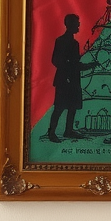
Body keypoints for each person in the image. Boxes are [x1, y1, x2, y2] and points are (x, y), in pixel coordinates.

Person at [44, 13, 95, 142]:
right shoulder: (60, 41)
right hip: (64, 80)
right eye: (77, 23)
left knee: (72, 107)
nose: (79, 25)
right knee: (59, 107)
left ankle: (68, 131)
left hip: (73, 80)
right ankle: (51, 133)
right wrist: (68, 69)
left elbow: (75, 64)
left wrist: (90, 65)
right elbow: (55, 60)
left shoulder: (75, 43)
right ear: (70, 25)